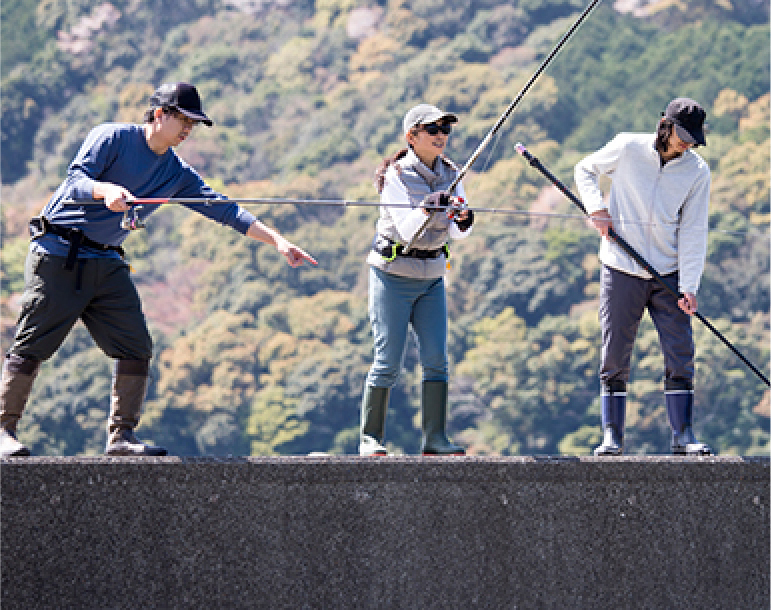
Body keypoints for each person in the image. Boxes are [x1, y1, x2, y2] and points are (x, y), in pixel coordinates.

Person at [0, 82, 317, 458]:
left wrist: (278, 241)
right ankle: (4, 429)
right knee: (32, 344)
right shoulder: (111, 137)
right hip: (58, 253)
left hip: (106, 260)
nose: (188, 129)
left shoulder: (176, 173)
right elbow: (75, 183)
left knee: (136, 345)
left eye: (193, 124)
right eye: (183, 120)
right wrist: (107, 192)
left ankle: (121, 437)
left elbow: (223, 208)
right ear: (159, 114)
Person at [574, 97, 712, 456]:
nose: (687, 143)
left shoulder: (697, 172)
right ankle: (612, 435)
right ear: (664, 125)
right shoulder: (628, 147)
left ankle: (683, 434)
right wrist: (597, 209)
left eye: (693, 138)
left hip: (669, 273)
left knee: (680, 351)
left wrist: (690, 287)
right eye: (682, 135)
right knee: (615, 351)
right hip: (621, 266)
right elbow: (584, 170)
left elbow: (694, 231)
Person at [358, 103, 474, 457]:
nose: (441, 135)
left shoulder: (454, 173)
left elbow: (457, 233)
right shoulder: (395, 176)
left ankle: (435, 439)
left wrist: (463, 219)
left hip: (432, 277)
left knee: (437, 357)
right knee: (388, 360)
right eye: (433, 129)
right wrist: (428, 206)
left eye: (445, 129)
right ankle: (370, 439)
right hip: (391, 276)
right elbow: (407, 231)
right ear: (412, 137)